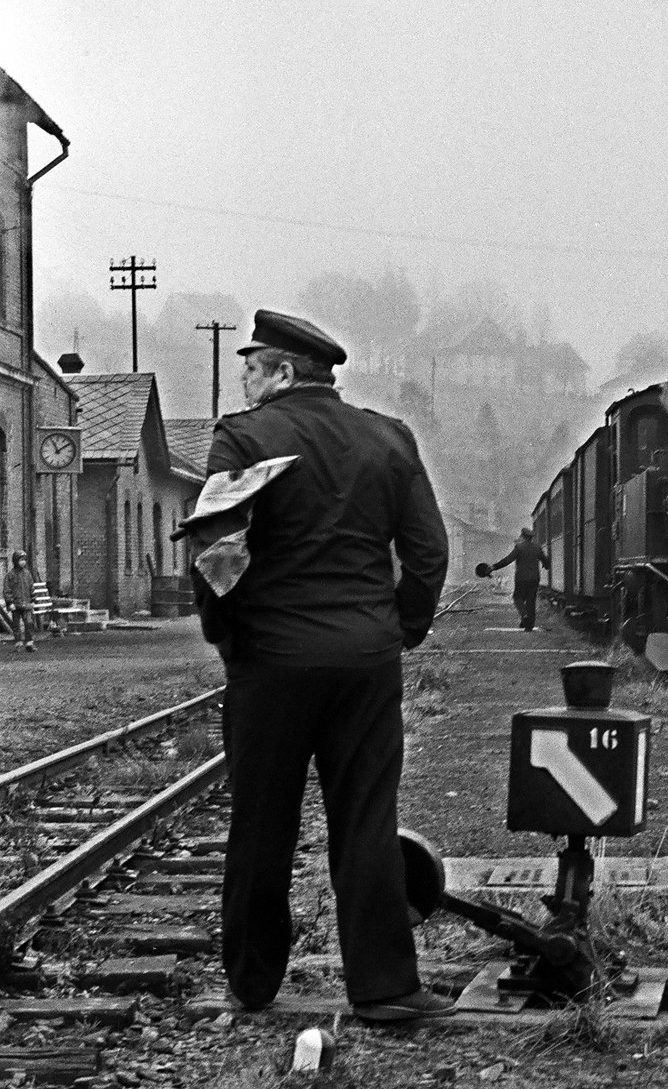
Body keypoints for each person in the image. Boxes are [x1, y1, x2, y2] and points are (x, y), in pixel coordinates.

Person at [193, 308, 453, 1023]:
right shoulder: (388, 438)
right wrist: (401, 625)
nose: (244, 380)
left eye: (252, 367)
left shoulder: (244, 438)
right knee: (367, 821)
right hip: (366, 661)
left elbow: (217, 552)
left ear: (281, 372)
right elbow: (429, 551)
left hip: (272, 661)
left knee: (261, 821)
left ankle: (252, 984)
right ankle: (385, 988)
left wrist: (229, 636)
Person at [483, 526, 548, 631]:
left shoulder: (519, 547)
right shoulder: (537, 547)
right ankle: (529, 626)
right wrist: (546, 565)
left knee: (517, 598)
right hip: (534, 578)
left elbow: (507, 560)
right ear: (531, 538)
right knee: (531, 601)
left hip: (521, 579)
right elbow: (544, 559)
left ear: (522, 536)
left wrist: (494, 567)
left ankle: (524, 615)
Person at [3, 551, 36, 652]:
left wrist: (33, 599)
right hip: (16, 605)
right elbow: (7, 590)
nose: (23, 562)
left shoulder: (27, 574)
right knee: (16, 625)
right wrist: (10, 602)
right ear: (15, 561)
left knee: (29, 623)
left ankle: (29, 643)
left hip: (26, 604)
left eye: (24, 560)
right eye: (21, 560)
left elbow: (31, 587)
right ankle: (18, 643)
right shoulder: (10, 575)